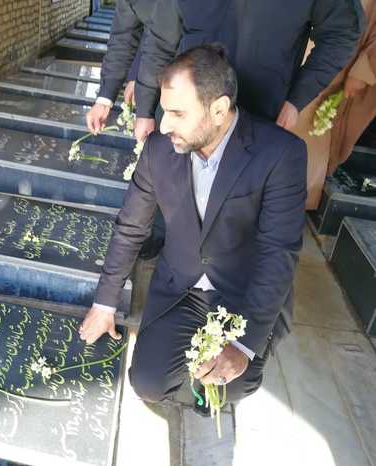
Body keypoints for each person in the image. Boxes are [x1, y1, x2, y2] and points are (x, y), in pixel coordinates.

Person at [79, 45, 307, 405]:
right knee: (148, 384)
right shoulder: (158, 149)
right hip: (180, 288)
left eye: (177, 113)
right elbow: (131, 226)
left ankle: (225, 377)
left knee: (225, 388)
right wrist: (105, 302)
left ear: (218, 110)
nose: (164, 125)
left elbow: (278, 252)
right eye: (164, 110)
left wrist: (244, 345)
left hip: (241, 293)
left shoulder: (280, 154)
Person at [133, 0, 364, 142]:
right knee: (171, 199)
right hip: (184, 117)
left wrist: (296, 99)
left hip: (257, 118)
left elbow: (341, 33)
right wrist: (145, 109)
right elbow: (161, 39)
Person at [293, 0, 376, 208]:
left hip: (337, 60)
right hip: (305, 40)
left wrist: (363, 70)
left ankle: (292, 204)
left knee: (310, 125)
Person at [86, 0, 180, 134]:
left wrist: (145, 110)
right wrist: (104, 100)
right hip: (159, 64)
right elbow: (123, 38)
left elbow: (163, 42)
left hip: (192, 63)